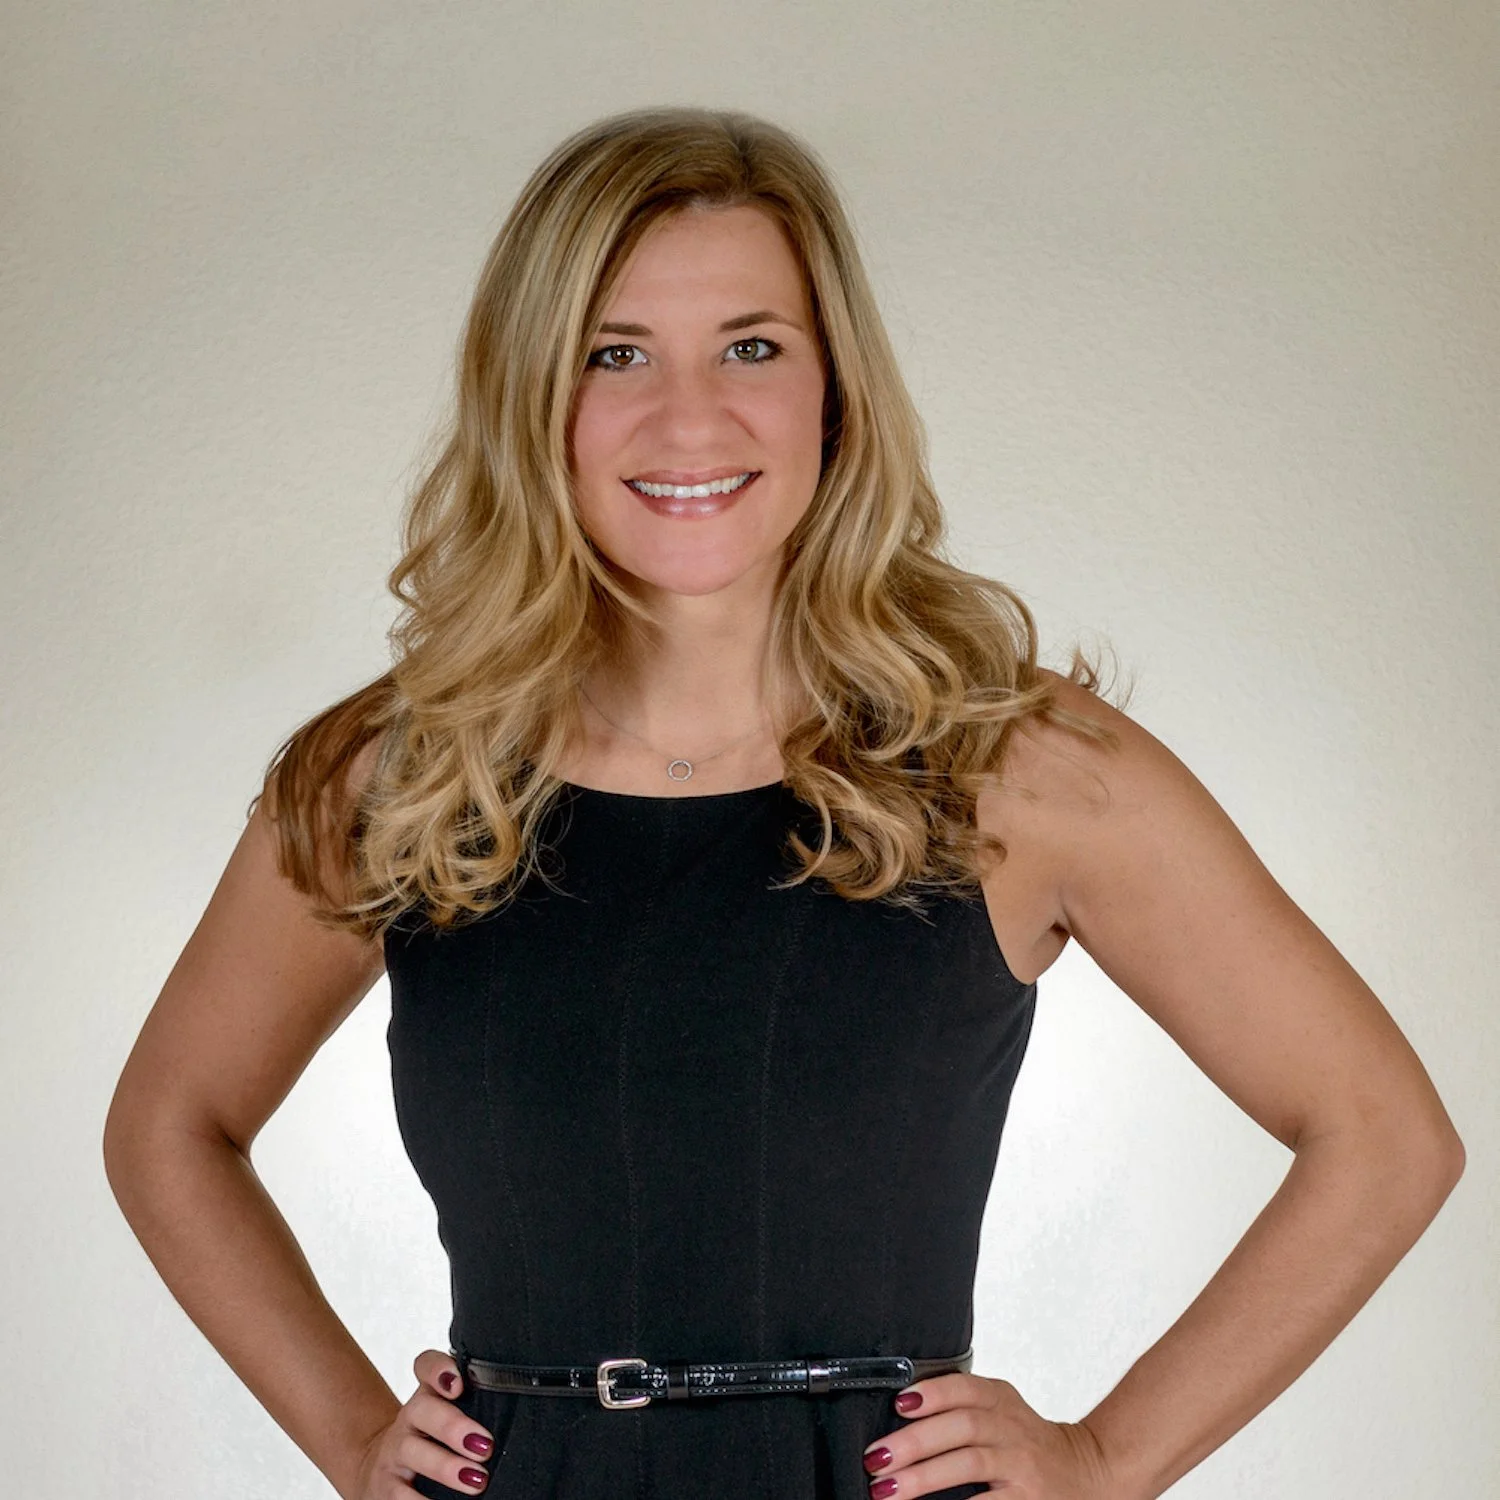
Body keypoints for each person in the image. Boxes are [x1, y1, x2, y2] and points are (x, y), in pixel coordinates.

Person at [103, 105, 1464, 1500]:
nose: (690, 418)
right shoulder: (398, 777)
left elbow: (1383, 1136)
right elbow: (170, 1123)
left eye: (752, 347)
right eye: (613, 355)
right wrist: (344, 1438)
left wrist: (1107, 1461)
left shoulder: (1021, 767)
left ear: (834, 393)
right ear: (532, 399)